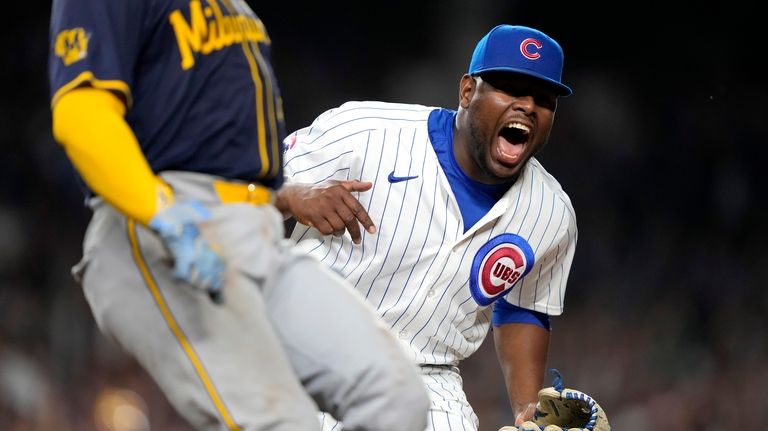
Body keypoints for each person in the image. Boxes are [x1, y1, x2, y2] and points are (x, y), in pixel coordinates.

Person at [47, 0, 430, 430]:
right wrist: (163, 213)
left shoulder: (229, 5)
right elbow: (81, 114)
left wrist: (280, 198)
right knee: (284, 423)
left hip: (259, 230)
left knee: (394, 396)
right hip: (170, 226)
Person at [276, 24, 576, 430]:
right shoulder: (363, 132)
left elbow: (524, 306)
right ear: (468, 91)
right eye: (509, 88)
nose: (527, 106)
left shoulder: (551, 212)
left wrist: (527, 412)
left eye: (544, 99)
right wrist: (292, 196)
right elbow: (225, 189)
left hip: (430, 380)